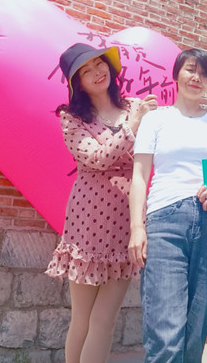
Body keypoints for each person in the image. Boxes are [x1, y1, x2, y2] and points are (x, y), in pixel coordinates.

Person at [128, 48, 207, 363]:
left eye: (205, 74)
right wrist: (137, 228)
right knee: (166, 334)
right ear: (177, 73)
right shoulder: (156, 119)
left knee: (196, 331)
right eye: (191, 70)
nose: (197, 78)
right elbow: (139, 176)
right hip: (165, 221)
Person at [46, 42, 157, 363]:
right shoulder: (72, 118)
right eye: (86, 71)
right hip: (88, 219)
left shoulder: (136, 106)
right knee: (82, 317)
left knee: (105, 319)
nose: (97, 72)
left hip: (127, 218)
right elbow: (97, 158)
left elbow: (150, 156)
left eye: (99, 64)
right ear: (77, 84)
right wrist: (133, 124)